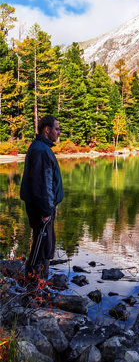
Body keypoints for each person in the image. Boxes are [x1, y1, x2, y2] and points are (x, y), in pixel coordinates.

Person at [20, 115, 63, 281]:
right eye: (56, 128)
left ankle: (41, 282)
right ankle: (31, 284)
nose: (59, 132)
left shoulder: (41, 148)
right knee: (40, 244)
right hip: (41, 207)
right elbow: (42, 183)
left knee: (46, 243)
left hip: (45, 205)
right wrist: (46, 210)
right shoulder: (41, 151)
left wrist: (52, 205)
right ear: (47, 129)